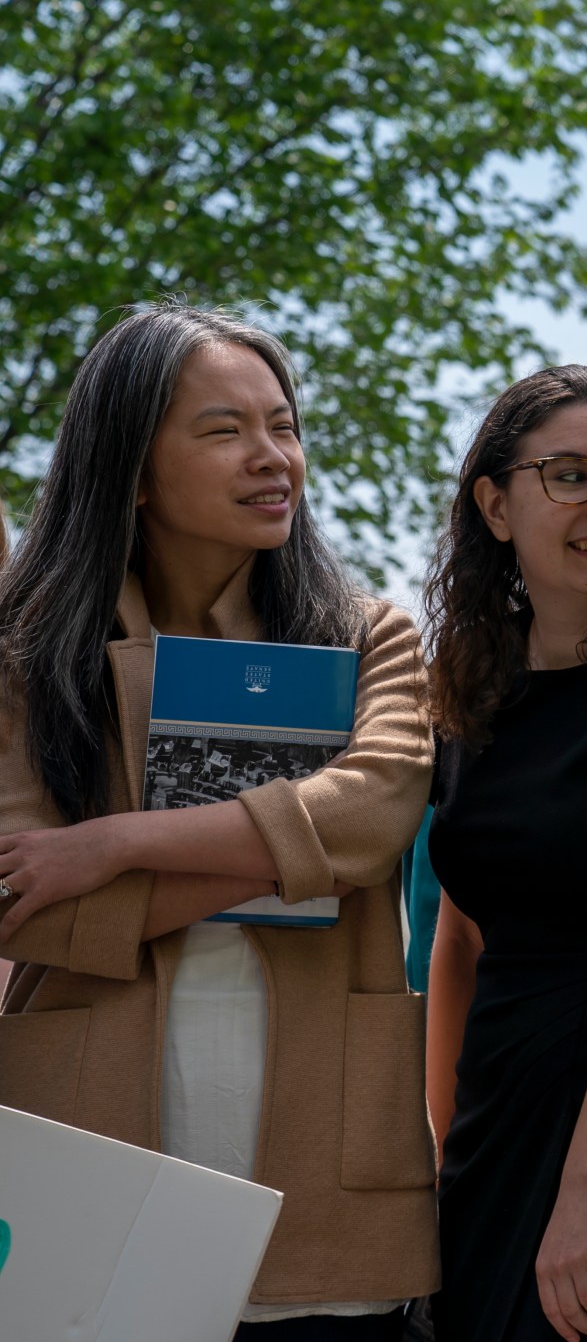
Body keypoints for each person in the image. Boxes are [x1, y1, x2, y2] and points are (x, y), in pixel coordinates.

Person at [0, 304, 435, 1337]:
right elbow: (22, 898)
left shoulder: (369, 633)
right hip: (87, 1146)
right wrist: (300, 856)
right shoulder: (25, 655)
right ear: (134, 469)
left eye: (283, 425)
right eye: (224, 430)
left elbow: (375, 813)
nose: (272, 457)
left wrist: (111, 843)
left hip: (326, 1166)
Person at [420, 366, 587, 1341]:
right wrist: (444, 1145)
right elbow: (461, 937)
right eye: (570, 475)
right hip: (495, 1129)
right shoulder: (466, 697)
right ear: (495, 504)